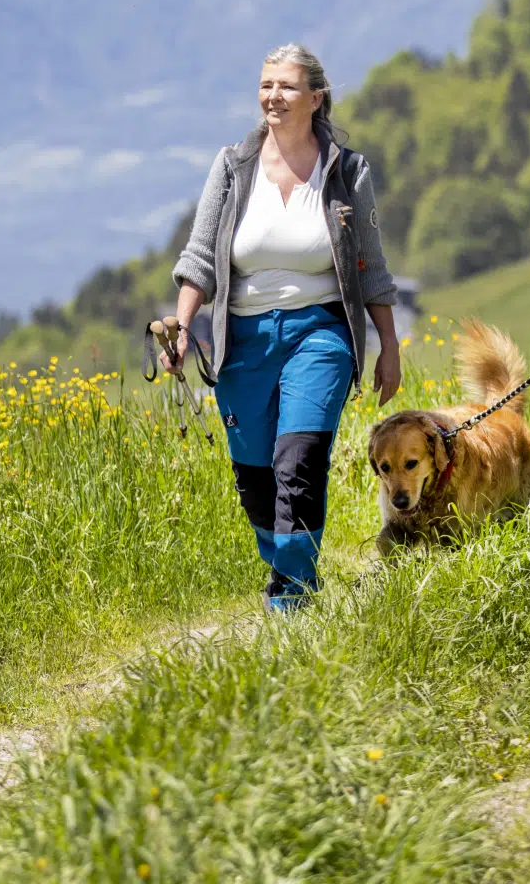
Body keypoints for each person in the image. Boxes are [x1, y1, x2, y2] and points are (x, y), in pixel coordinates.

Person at [168, 44, 403, 611]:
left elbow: (370, 265)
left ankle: (291, 596)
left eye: (288, 86)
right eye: (266, 84)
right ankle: (289, 569)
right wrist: (181, 324)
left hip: (319, 333)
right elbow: (200, 256)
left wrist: (388, 345)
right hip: (243, 339)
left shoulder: (346, 171)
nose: (274, 96)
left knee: (298, 457)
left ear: (316, 97)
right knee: (256, 479)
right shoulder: (232, 167)